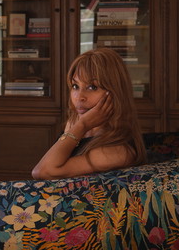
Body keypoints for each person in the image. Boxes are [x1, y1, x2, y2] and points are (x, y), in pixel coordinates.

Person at [32, 48, 146, 180]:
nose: (79, 97)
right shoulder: (75, 124)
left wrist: (82, 125)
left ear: (115, 92)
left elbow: (41, 172)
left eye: (92, 87)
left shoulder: (118, 151)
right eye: (75, 86)